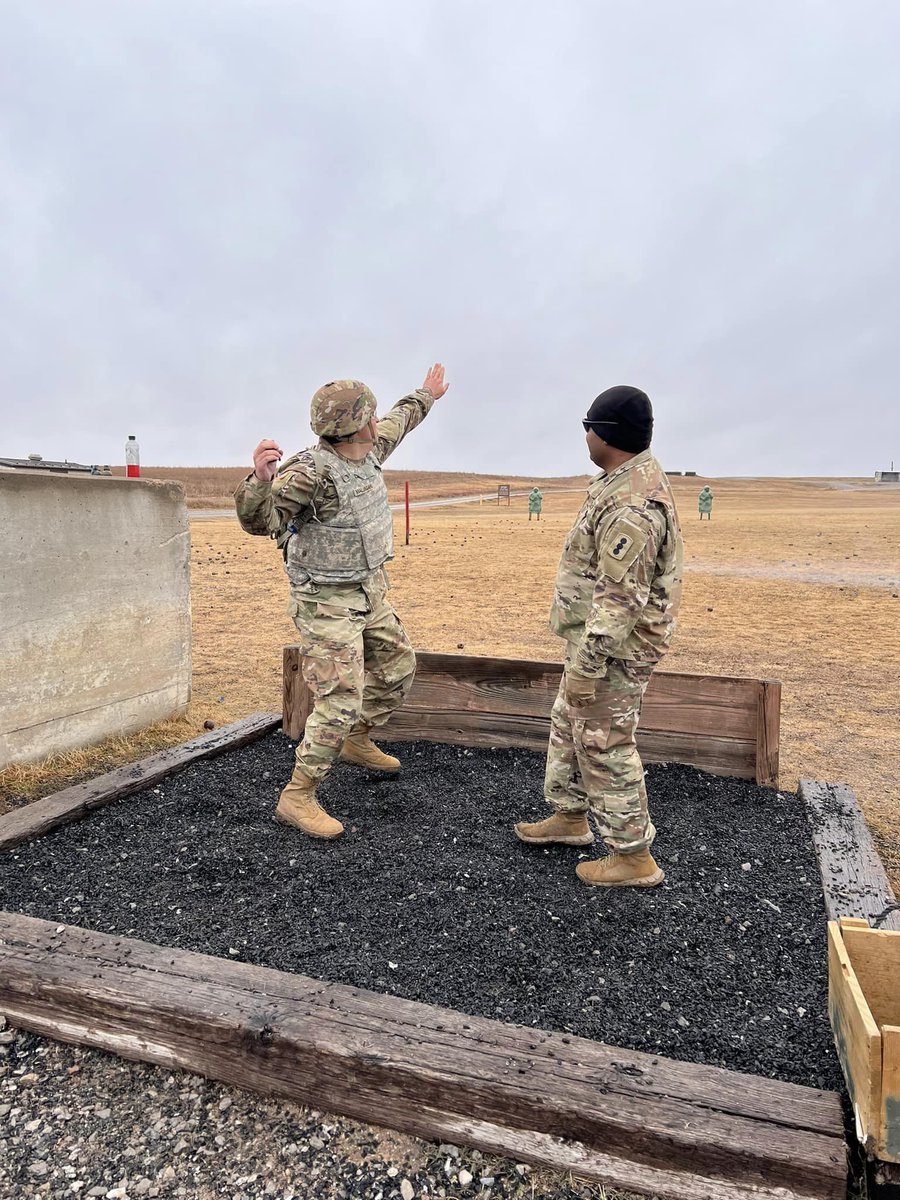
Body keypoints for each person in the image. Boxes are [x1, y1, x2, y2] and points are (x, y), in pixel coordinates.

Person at [234, 365, 450, 839]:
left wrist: (427, 393)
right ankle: (298, 794)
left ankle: (355, 737)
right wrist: (259, 478)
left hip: (368, 589)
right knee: (340, 696)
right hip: (325, 601)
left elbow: (403, 417)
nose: (379, 423)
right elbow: (260, 521)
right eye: (371, 416)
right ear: (358, 425)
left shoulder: (371, 451)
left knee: (398, 667)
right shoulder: (309, 475)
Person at [514, 385, 683, 888]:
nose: (584, 436)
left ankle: (633, 856)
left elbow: (620, 599)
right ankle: (570, 817)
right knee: (571, 723)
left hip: (612, 650)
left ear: (605, 434)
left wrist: (588, 665)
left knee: (605, 740)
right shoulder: (619, 480)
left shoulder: (633, 504)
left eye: (587, 426)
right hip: (595, 642)